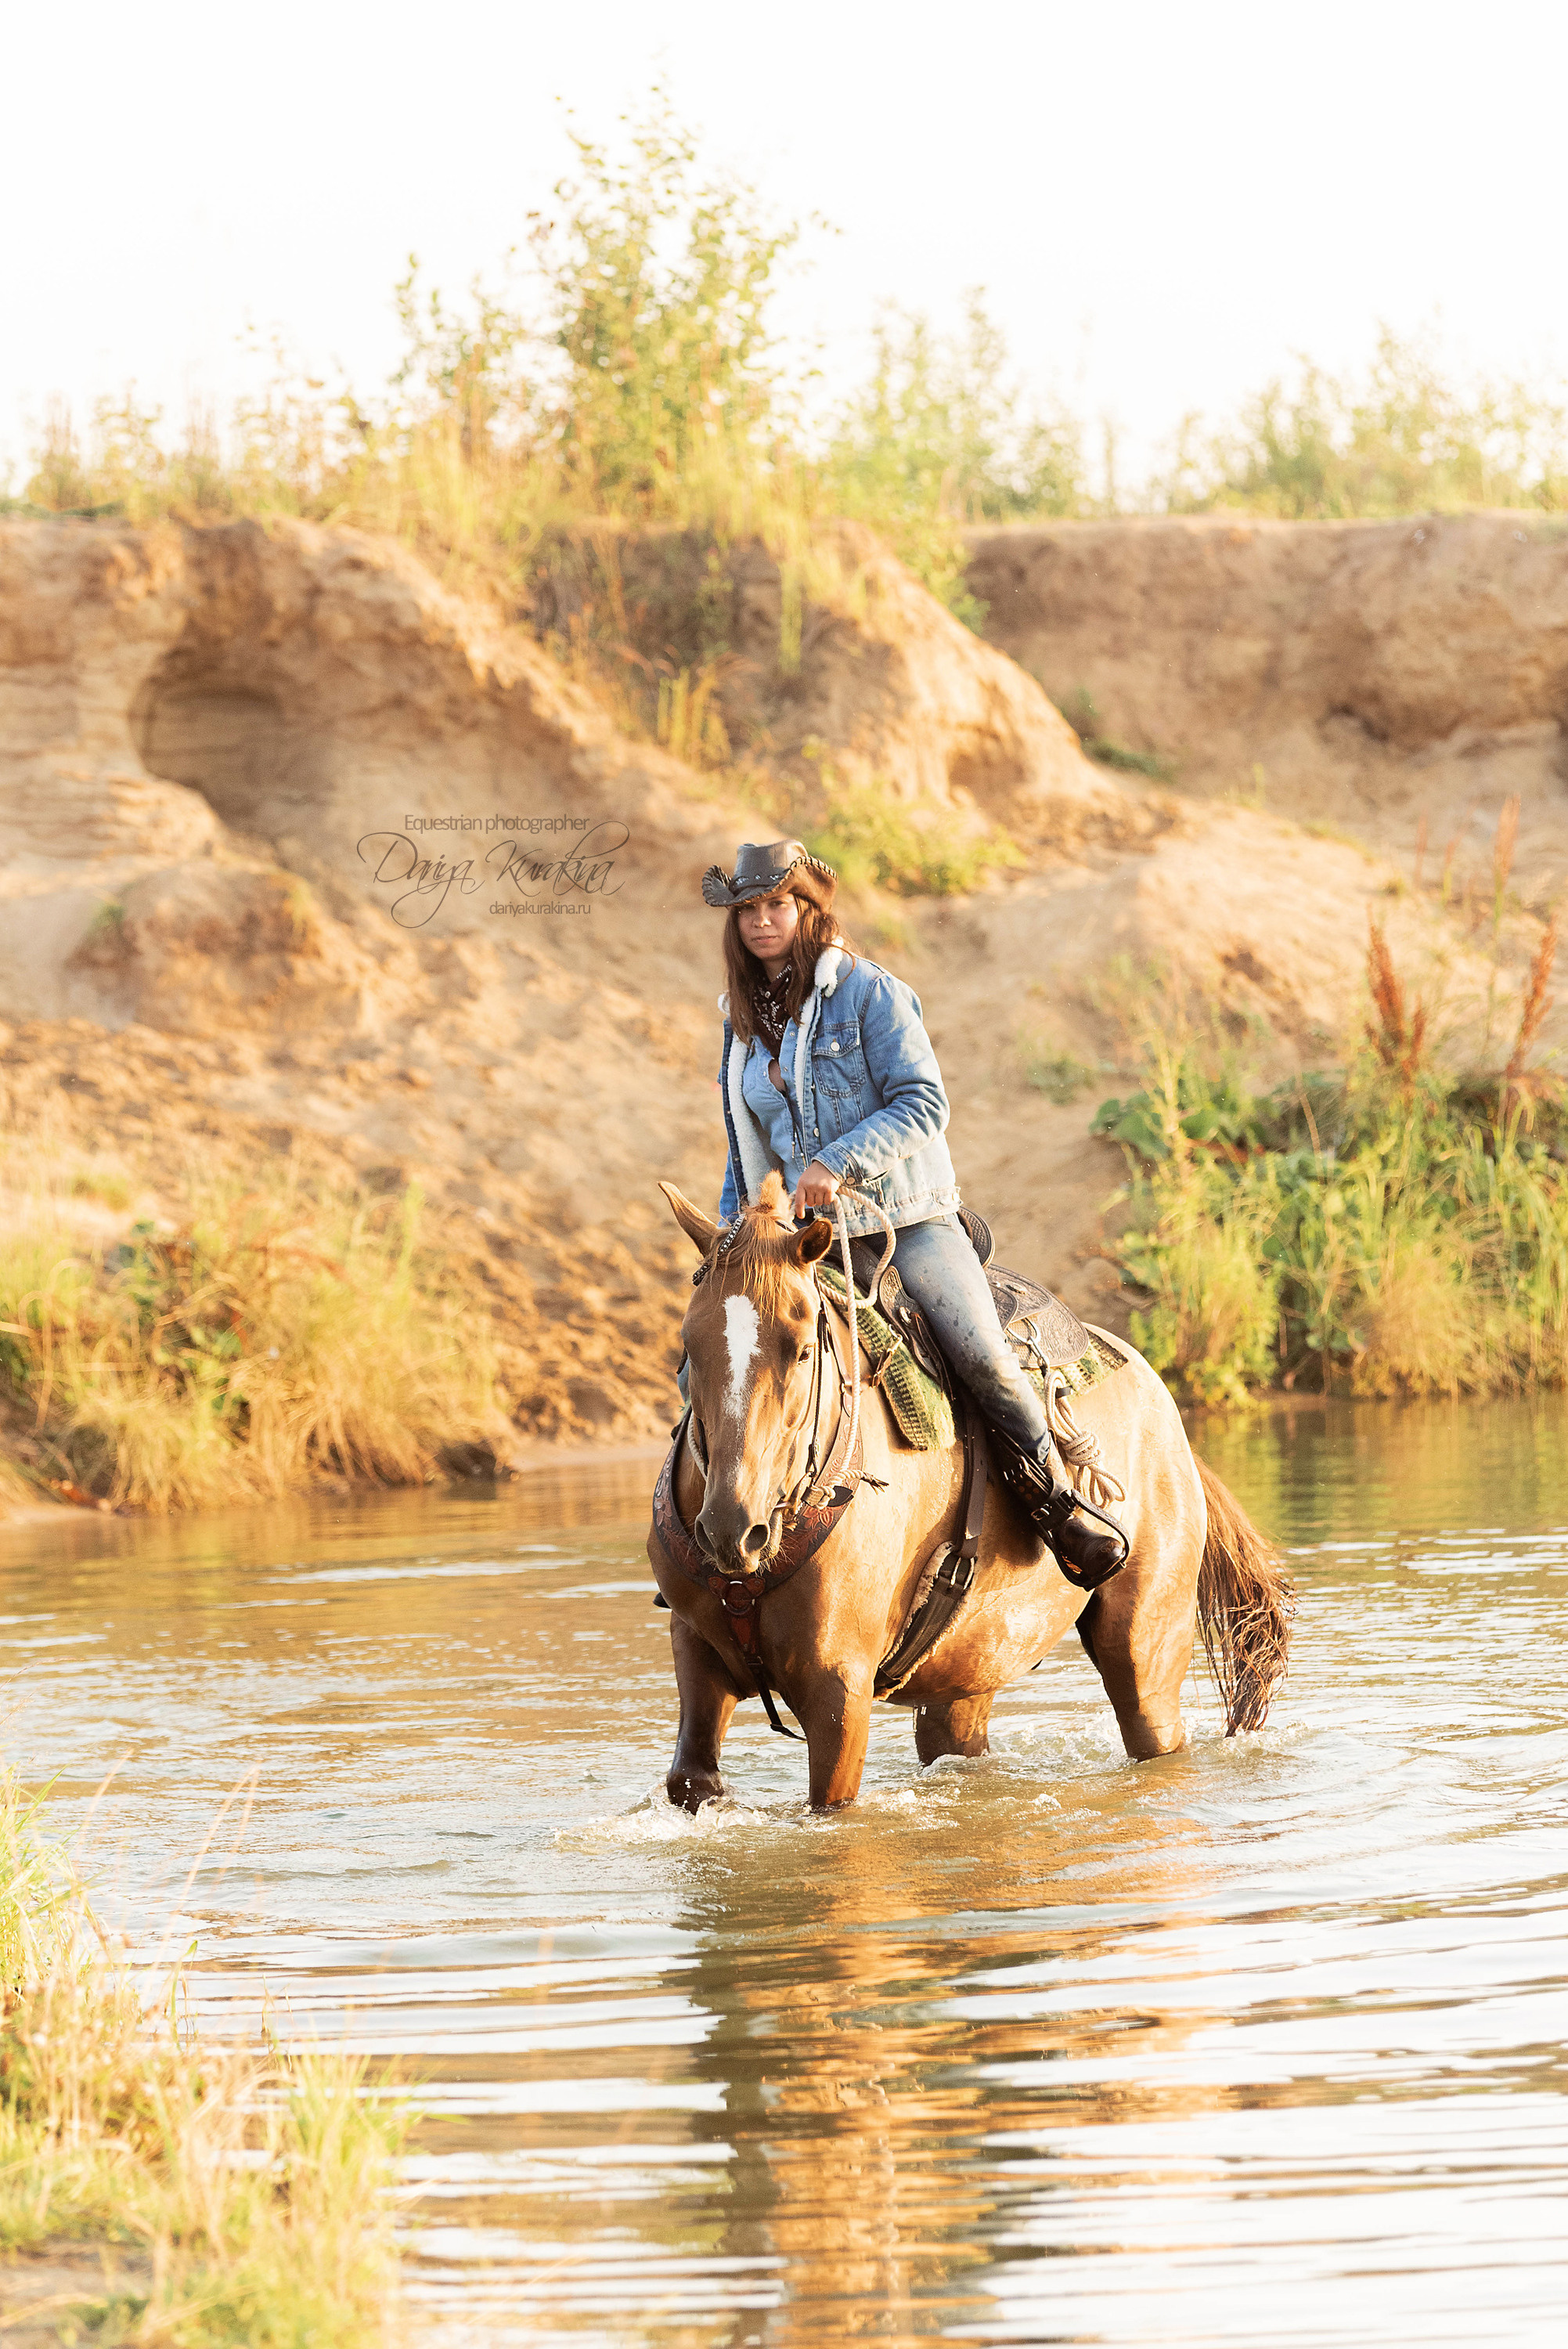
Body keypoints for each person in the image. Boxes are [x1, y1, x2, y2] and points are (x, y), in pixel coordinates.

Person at [703, 837, 1127, 1588]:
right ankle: (712, 1526)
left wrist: (837, 1162)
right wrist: (730, 1247)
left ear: (806, 910)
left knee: (983, 1358)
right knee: (714, 1363)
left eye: (776, 905)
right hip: (797, 1241)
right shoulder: (738, 1024)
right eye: (749, 911)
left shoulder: (869, 993)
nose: (762, 921)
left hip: (906, 1219)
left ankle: (1057, 1507)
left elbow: (924, 1103)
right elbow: (746, 1157)